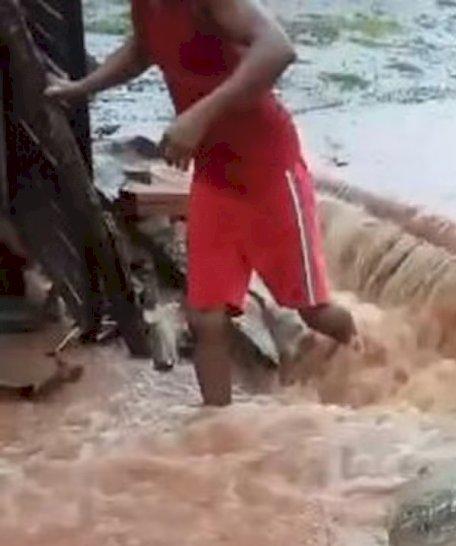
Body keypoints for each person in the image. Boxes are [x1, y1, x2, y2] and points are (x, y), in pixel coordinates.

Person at [47, 0, 355, 406]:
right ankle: (216, 430)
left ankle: (368, 354)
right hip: (215, 177)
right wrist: (80, 89)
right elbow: (141, 50)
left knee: (312, 312)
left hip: (270, 172)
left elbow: (278, 48)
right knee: (204, 317)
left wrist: (199, 116)